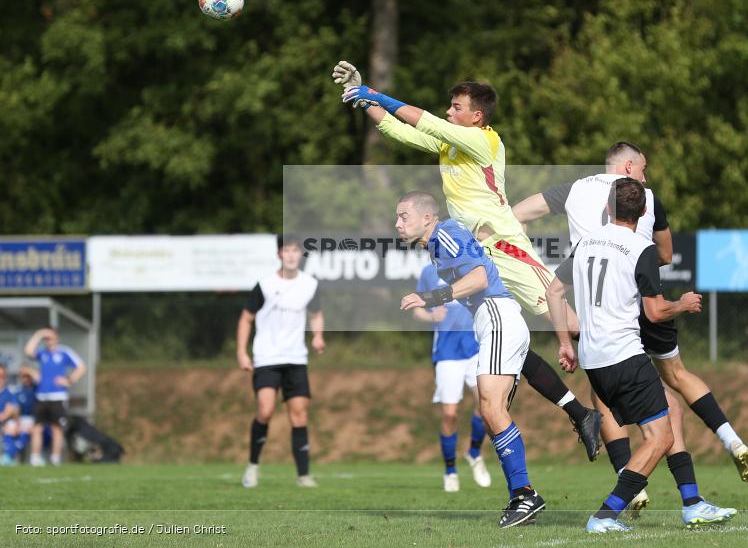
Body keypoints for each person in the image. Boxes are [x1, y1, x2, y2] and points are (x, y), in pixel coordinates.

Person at [334, 61, 602, 460]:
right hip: (478, 257)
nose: (449, 112)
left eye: (456, 107)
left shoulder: (486, 141)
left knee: (572, 324)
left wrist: (374, 93)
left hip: (504, 246)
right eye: (450, 106)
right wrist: (360, 100)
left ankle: (626, 375)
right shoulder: (452, 144)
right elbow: (397, 129)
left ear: (476, 117)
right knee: (511, 342)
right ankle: (580, 412)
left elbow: (425, 121)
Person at [513, 141, 748, 488]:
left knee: (604, 393)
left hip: (599, 310)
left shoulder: (573, 189)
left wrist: (530, 258)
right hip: (645, 298)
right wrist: (633, 259)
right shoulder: (648, 197)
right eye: (643, 167)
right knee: (675, 376)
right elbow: (667, 254)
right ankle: (730, 438)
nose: (645, 175)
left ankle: (625, 475)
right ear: (628, 167)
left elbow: (516, 214)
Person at [547, 178, 736, 533]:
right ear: (645, 211)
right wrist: (682, 303)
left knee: (671, 412)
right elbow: (654, 312)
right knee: (660, 436)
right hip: (624, 356)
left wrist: (565, 343)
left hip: (594, 360)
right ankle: (605, 515)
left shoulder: (586, 242)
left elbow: (554, 292)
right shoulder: (641, 248)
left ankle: (693, 502)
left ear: (607, 209)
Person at [397, 191, 544, 528]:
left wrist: (430, 296)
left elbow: (479, 278)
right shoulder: (437, 244)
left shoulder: (445, 233)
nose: (398, 223)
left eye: (404, 216)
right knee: (492, 411)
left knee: (491, 410)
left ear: (427, 218)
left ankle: (525, 496)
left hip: (495, 315)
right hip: (495, 319)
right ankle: (522, 496)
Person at [237, 233, 326, 489]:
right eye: (286, 250)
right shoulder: (264, 285)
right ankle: (252, 467)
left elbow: (316, 314)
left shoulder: (310, 284)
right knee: (265, 411)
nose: (290, 255)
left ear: (301, 255)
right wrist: (242, 352)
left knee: (299, 415)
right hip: (266, 357)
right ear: (279, 254)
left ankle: (303, 475)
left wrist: (318, 336)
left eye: (295, 251)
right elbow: (246, 318)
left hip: (296, 358)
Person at [412, 263, 491, 492]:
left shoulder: (471, 266)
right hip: (447, 353)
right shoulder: (429, 272)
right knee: (449, 415)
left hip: (475, 348)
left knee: (488, 406)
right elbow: (418, 309)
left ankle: (474, 453)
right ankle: (450, 470)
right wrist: (430, 315)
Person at [23, 328, 86, 466]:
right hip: (41, 396)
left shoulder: (64, 352)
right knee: (37, 427)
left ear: (56, 338)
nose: (47, 340)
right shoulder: (42, 353)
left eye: (49, 337)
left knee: (56, 428)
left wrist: (69, 380)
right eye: (46, 338)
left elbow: (81, 366)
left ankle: (55, 458)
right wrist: (38, 334)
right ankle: (35, 457)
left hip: (57, 396)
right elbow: (28, 351)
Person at [14, 366, 38, 461]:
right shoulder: (18, 391)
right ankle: (11, 456)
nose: (26, 379)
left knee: (28, 431)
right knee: (13, 430)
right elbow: (16, 409)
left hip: (35, 419)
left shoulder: (37, 389)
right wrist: (17, 423)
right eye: (24, 376)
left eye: (28, 376)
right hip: (22, 419)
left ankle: (11, 454)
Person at [0, 364, 20, 466]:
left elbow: (11, 411)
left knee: (11, 426)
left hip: (3, 424)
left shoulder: (9, 393)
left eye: (2, 376)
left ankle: (8, 458)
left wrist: (17, 424)